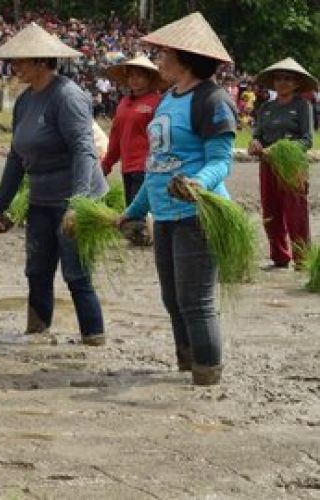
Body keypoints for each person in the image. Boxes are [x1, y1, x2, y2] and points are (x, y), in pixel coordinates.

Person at [120, 12, 238, 386]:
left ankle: (207, 372)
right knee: (172, 298)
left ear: (184, 57)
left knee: (195, 300)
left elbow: (220, 161)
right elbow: (156, 168)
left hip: (197, 213)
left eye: (165, 53)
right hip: (167, 216)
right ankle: (187, 363)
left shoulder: (212, 100)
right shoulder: (168, 98)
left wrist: (197, 183)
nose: (159, 60)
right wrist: (133, 211)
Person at [0, 23, 108, 347]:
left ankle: (93, 339)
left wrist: (78, 205)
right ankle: (37, 334)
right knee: (36, 270)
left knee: (76, 273)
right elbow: (16, 157)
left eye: (21, 61)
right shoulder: (25, 102)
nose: (15, 67)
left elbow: (85, 151)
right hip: (41, 198)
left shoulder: (67, 97)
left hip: (73, 197)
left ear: (42, 61)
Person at [248, 58, 316, 270]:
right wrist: (255, 143)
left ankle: (303, 259)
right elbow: (257, 134)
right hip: (267, 164)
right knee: (270, 210)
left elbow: (307, 140)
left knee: (295, 213)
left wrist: (279, 149)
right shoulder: (266, 107)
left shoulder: (302, 106)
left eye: (288, 79)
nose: (282, 82)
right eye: (279, 78)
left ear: (296, 83)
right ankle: (279, 256)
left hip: (292, 165)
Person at [102, 55, 164, 245]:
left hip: (147, 166)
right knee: (132, 207)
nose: (134, 80)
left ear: (150, 78)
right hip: (128, 166)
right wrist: (106, 164)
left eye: (139, 76)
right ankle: (141, 238)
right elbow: (116, 136)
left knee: (141, 209)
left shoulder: (158, 102)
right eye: (131, 76)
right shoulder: (123, 104)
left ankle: (151, 239)